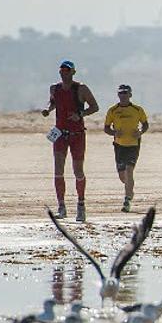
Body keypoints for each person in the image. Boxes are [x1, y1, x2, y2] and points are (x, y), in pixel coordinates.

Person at [41, 60, 99, 221]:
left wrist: (80, 114)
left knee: (78, 170)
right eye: (62, 70)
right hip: (59, 133)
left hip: (77, 134)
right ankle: (62, 206)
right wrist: (47, 109)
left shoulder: (81, 88)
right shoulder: (55, 88)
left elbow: (95, 107)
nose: (64, 73)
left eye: (67, 71)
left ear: (73, 72)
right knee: (58, 170)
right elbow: (52, 101)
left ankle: (81, 205)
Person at [102, 84, 149, 212]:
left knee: (129, 171)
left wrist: (140, 132)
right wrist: (114, 133)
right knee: (123, 176)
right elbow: (106, 128)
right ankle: (130, 189)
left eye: (125, 93)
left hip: (133, 145)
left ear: (130, 95)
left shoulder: (137, 109)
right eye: (121, 93)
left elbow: (145, 125)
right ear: (118, 95)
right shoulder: (113, 110)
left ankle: (127, 200)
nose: (123, 95)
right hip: (119, 145)